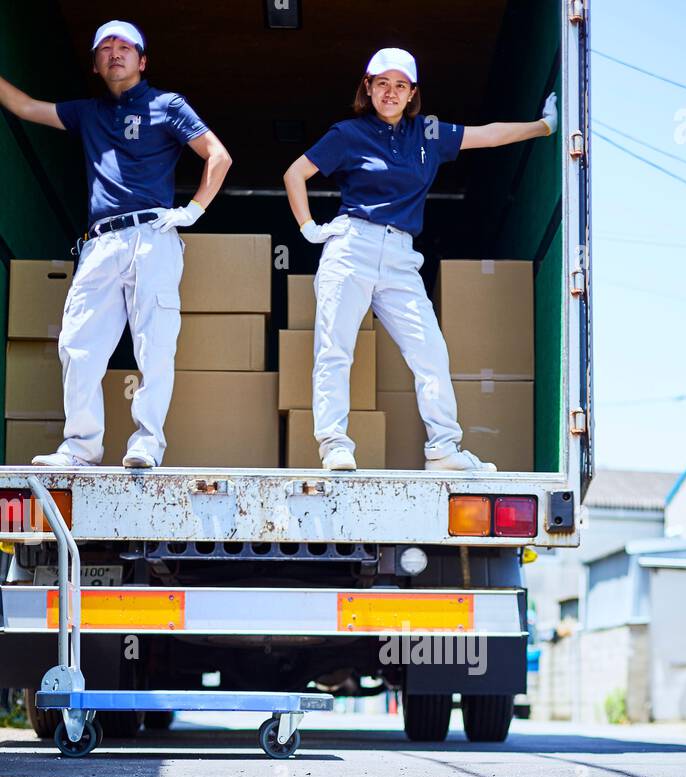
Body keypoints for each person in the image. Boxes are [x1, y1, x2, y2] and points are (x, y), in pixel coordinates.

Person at [284, 46, 557, 474]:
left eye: (400, 85)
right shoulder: (347, 134)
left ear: (412, 93)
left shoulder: (427, 133)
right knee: (335, 351)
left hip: (399, 256)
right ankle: (335, 445)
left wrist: (543, 127)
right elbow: (295, 173)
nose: (390, 92)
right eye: (382, 84)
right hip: (351, 246)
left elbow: (486, 135)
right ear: (368, 88)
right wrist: (309, 228)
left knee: (430, 352)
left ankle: (444, 450)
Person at [0, 20, 232, 470]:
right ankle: (81, 448)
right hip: (101, 241)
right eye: (105, 47)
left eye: (124, 46)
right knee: (78, 343)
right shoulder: (87, 112)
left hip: (153, 235)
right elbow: (25, 107)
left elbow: (218, 155)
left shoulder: (167, 104)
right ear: (95, 64)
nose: (114, 52)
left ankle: (148, 442)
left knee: (155, 345)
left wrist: (193, 210)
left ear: (142, 61)